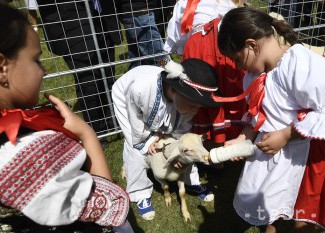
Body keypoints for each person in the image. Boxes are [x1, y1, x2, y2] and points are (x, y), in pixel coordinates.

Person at [0, 5, 133, 233]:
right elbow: (109, 208)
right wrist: (86, 134)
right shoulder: (25, 153)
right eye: (36, 60)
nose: (44, 72)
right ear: (2, 67)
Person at [215, 7, 325, 233]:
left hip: (307, 153)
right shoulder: (255, 76)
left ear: (252, 45)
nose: (238, 67)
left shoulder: (298, 64)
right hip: (277, 153)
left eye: (237, 59)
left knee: (303, 215)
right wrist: (242, 137)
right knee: (271, 205)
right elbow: (256, 115)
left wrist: (286, 135)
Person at [112, 58, 220, 220]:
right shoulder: (140, 89)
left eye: (198, 106)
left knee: (183, 143)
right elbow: (136, 122)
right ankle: (140, 191)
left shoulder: (186, 103)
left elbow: (182, 133)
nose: (195, 111)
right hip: (126, 98)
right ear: (175, 90)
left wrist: (176, 150)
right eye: (192, 105)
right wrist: (148, 141)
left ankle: (192, 181)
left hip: (163, 100)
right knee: (136, 145)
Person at [164, 0, 246, 148]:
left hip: (216, 45)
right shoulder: (187, 2)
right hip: (205, 46)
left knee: (220, 90)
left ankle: (225, 139)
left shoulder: (187, 2)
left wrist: (179, 47)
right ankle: (212, 141)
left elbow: (177, 32)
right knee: (201, 92)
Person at [37, 0, 121, 137]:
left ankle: (112, 119)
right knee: (88, 80)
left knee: (108, 73)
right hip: (71, 25)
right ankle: (95, 130)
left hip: (102, 18)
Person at [116, 0, 170, 70]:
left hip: (133, 12)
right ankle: (173, 79)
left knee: (137, 61)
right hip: (139, 12)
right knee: (162, 59)